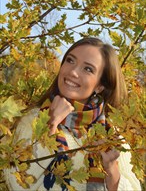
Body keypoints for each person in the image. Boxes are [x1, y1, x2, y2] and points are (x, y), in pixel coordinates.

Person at [4, 37, 141, 191]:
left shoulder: (111, 135)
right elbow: (17, 184)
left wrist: (112, 171)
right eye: (70, 60)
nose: (73, 72)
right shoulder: (32, 120)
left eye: (88, 69)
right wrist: (50, 126)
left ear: (100, 86)